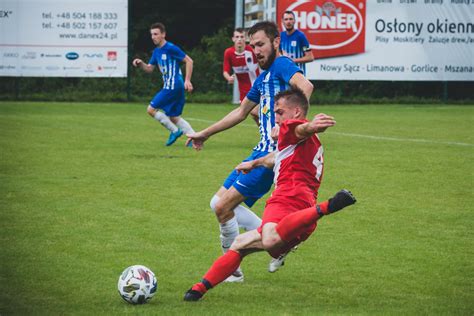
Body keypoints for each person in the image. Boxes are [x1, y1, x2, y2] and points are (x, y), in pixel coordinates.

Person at [183, 88, 357, 301]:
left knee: (271, 238)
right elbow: (277, 157)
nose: (276, 117)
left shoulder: (291, 128)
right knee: (239, 244)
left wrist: (311, 126)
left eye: (280, 112)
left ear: (296, 112)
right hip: (301, 215)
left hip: (288, 200)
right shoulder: (303, 145)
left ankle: (329, 206)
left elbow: (300, 130)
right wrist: (253, 163)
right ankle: (197, 290)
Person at [186, 21, 316, 281]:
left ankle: (233, 270)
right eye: (253, 45)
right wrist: (205, 133)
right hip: (258, 150)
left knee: (223, 207)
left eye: (261, 44)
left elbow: (306, 86)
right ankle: (280, 238)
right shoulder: (263, 78)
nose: (256, 50)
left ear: (275, 42)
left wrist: (291, 126)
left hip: (272, 157)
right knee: (217, 204)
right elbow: (241, 111)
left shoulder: (281, 64)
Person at [132, 22, 195, 146]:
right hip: (174, 87)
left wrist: (187, 80)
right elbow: (149, 69)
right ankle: (194, 138)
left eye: (156, 34)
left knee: (151, 109)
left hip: (173, 86)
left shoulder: (171, 48)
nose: (153, 37)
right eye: (152, 34)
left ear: (163, 34)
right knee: (174, 117)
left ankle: (175, 131)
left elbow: (189, 61)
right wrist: (141, 64)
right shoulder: (156, 52)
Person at [223, 28, 260, 124]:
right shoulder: (229, 53)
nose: (239, 39)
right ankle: (267, 134)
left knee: (255, 112)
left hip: (256, 87)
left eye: (242, 37)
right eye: (237, 37)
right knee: (254, 114)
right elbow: (225, 71)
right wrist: (229, 78)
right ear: (233, 39)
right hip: (243, 91)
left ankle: (272, 132)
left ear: (245, 38)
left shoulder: (252, 50)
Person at [280, 11, 314, 75]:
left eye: (291, 19)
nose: (288, 22)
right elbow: (278, 54)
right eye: (286, 19)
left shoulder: (300, 36)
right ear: (282, 21)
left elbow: (310, 57)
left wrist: (292, 60)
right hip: (285, 75)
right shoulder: (281, 36)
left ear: (294, 21)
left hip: (299, 75)